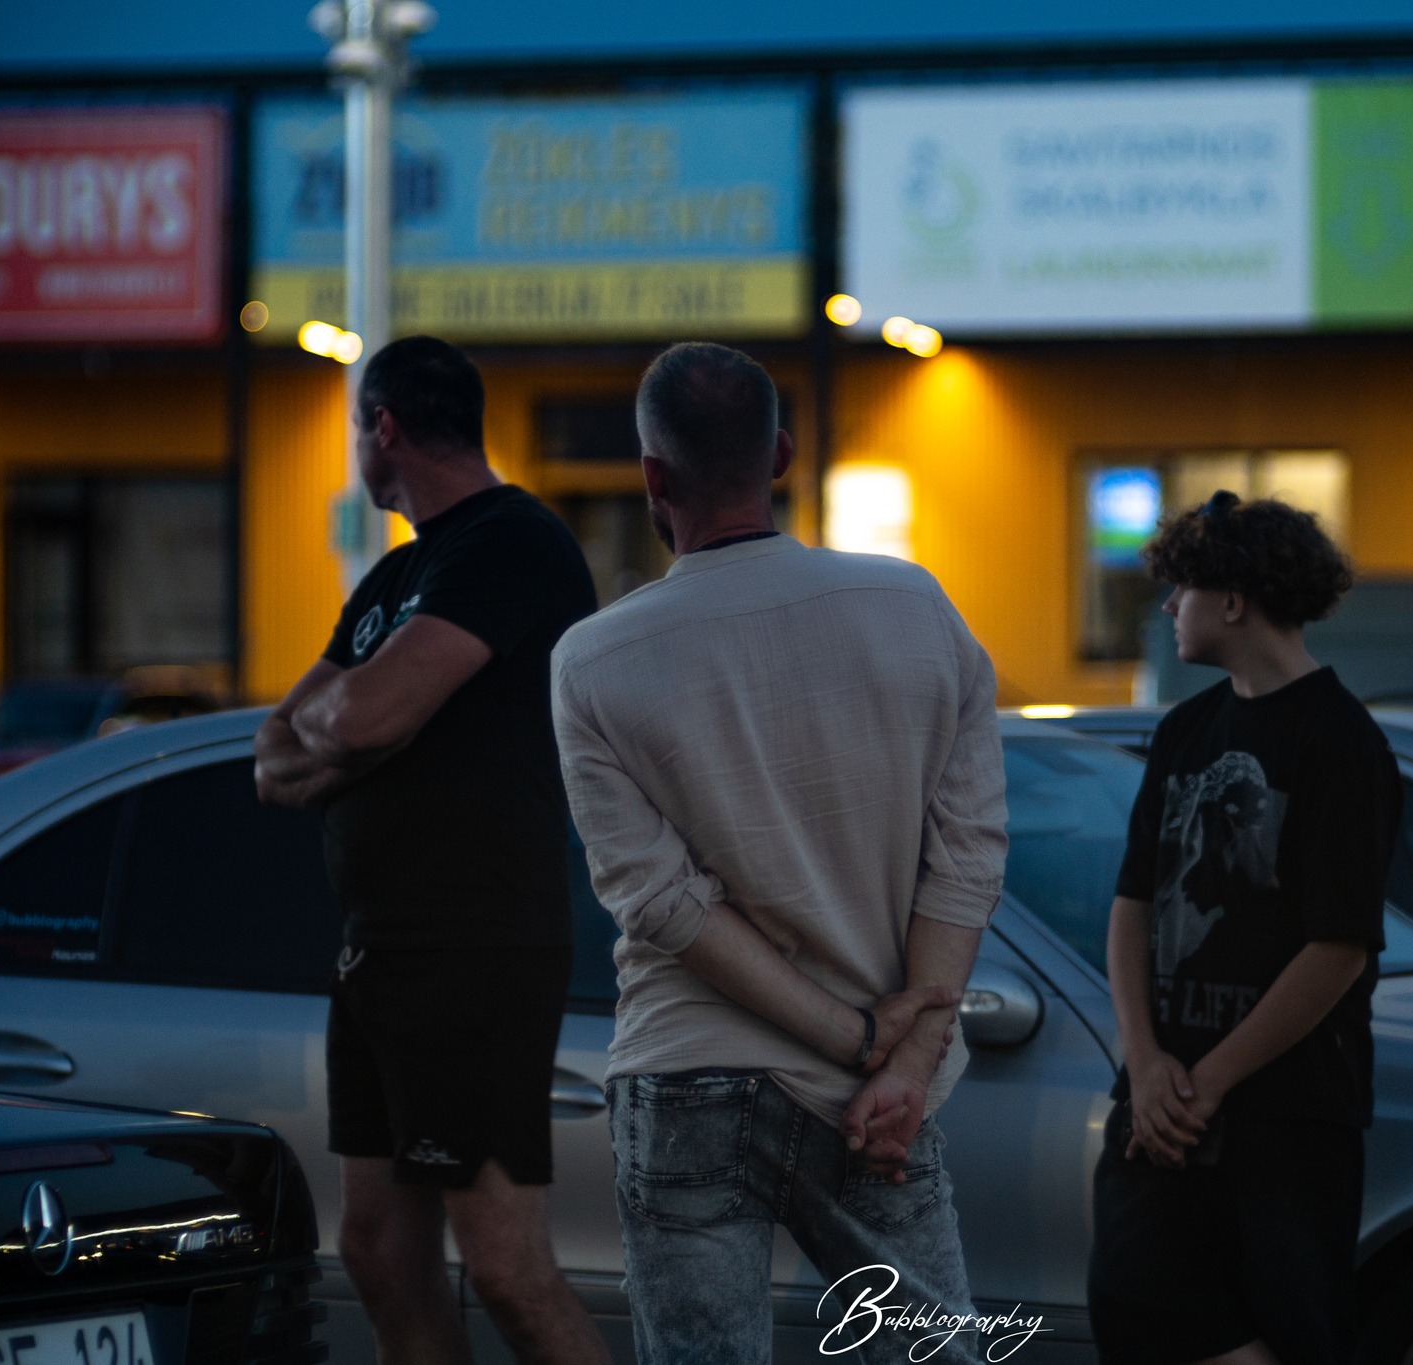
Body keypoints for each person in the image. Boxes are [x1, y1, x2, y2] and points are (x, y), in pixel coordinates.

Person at [549, 342, 1006, 1365]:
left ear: (652, 476)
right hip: (877, 1096)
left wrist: (856, 1038)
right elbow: (970, 851)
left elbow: (657, 900)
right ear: (783, 456)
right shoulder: (916, 607)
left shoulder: (592, 660)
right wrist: (898, 1053)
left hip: (686, 1069)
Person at [253, 336, 607, 1365]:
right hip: (379, 950)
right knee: (377, 1252)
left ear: (384, 426)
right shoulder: (393, 578)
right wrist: (367, 725)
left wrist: (359, 726)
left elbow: (356, 717)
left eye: (354, 431)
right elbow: (272, 754)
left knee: (504, 1266)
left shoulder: (512, 542)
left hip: (474, 947)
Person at [1088, 493, 1402, 1365]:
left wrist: (1208, 1083)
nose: (1167, 606)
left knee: (1285, 1330)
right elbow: (1133, 905)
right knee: (1135, 1307)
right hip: (1160, 1101)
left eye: (1181, 587)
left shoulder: (1341, 742)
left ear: (1232, 601)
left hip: (1287, 1116)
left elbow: (1338, 949)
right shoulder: (1184, 729)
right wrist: (1146, 1063)